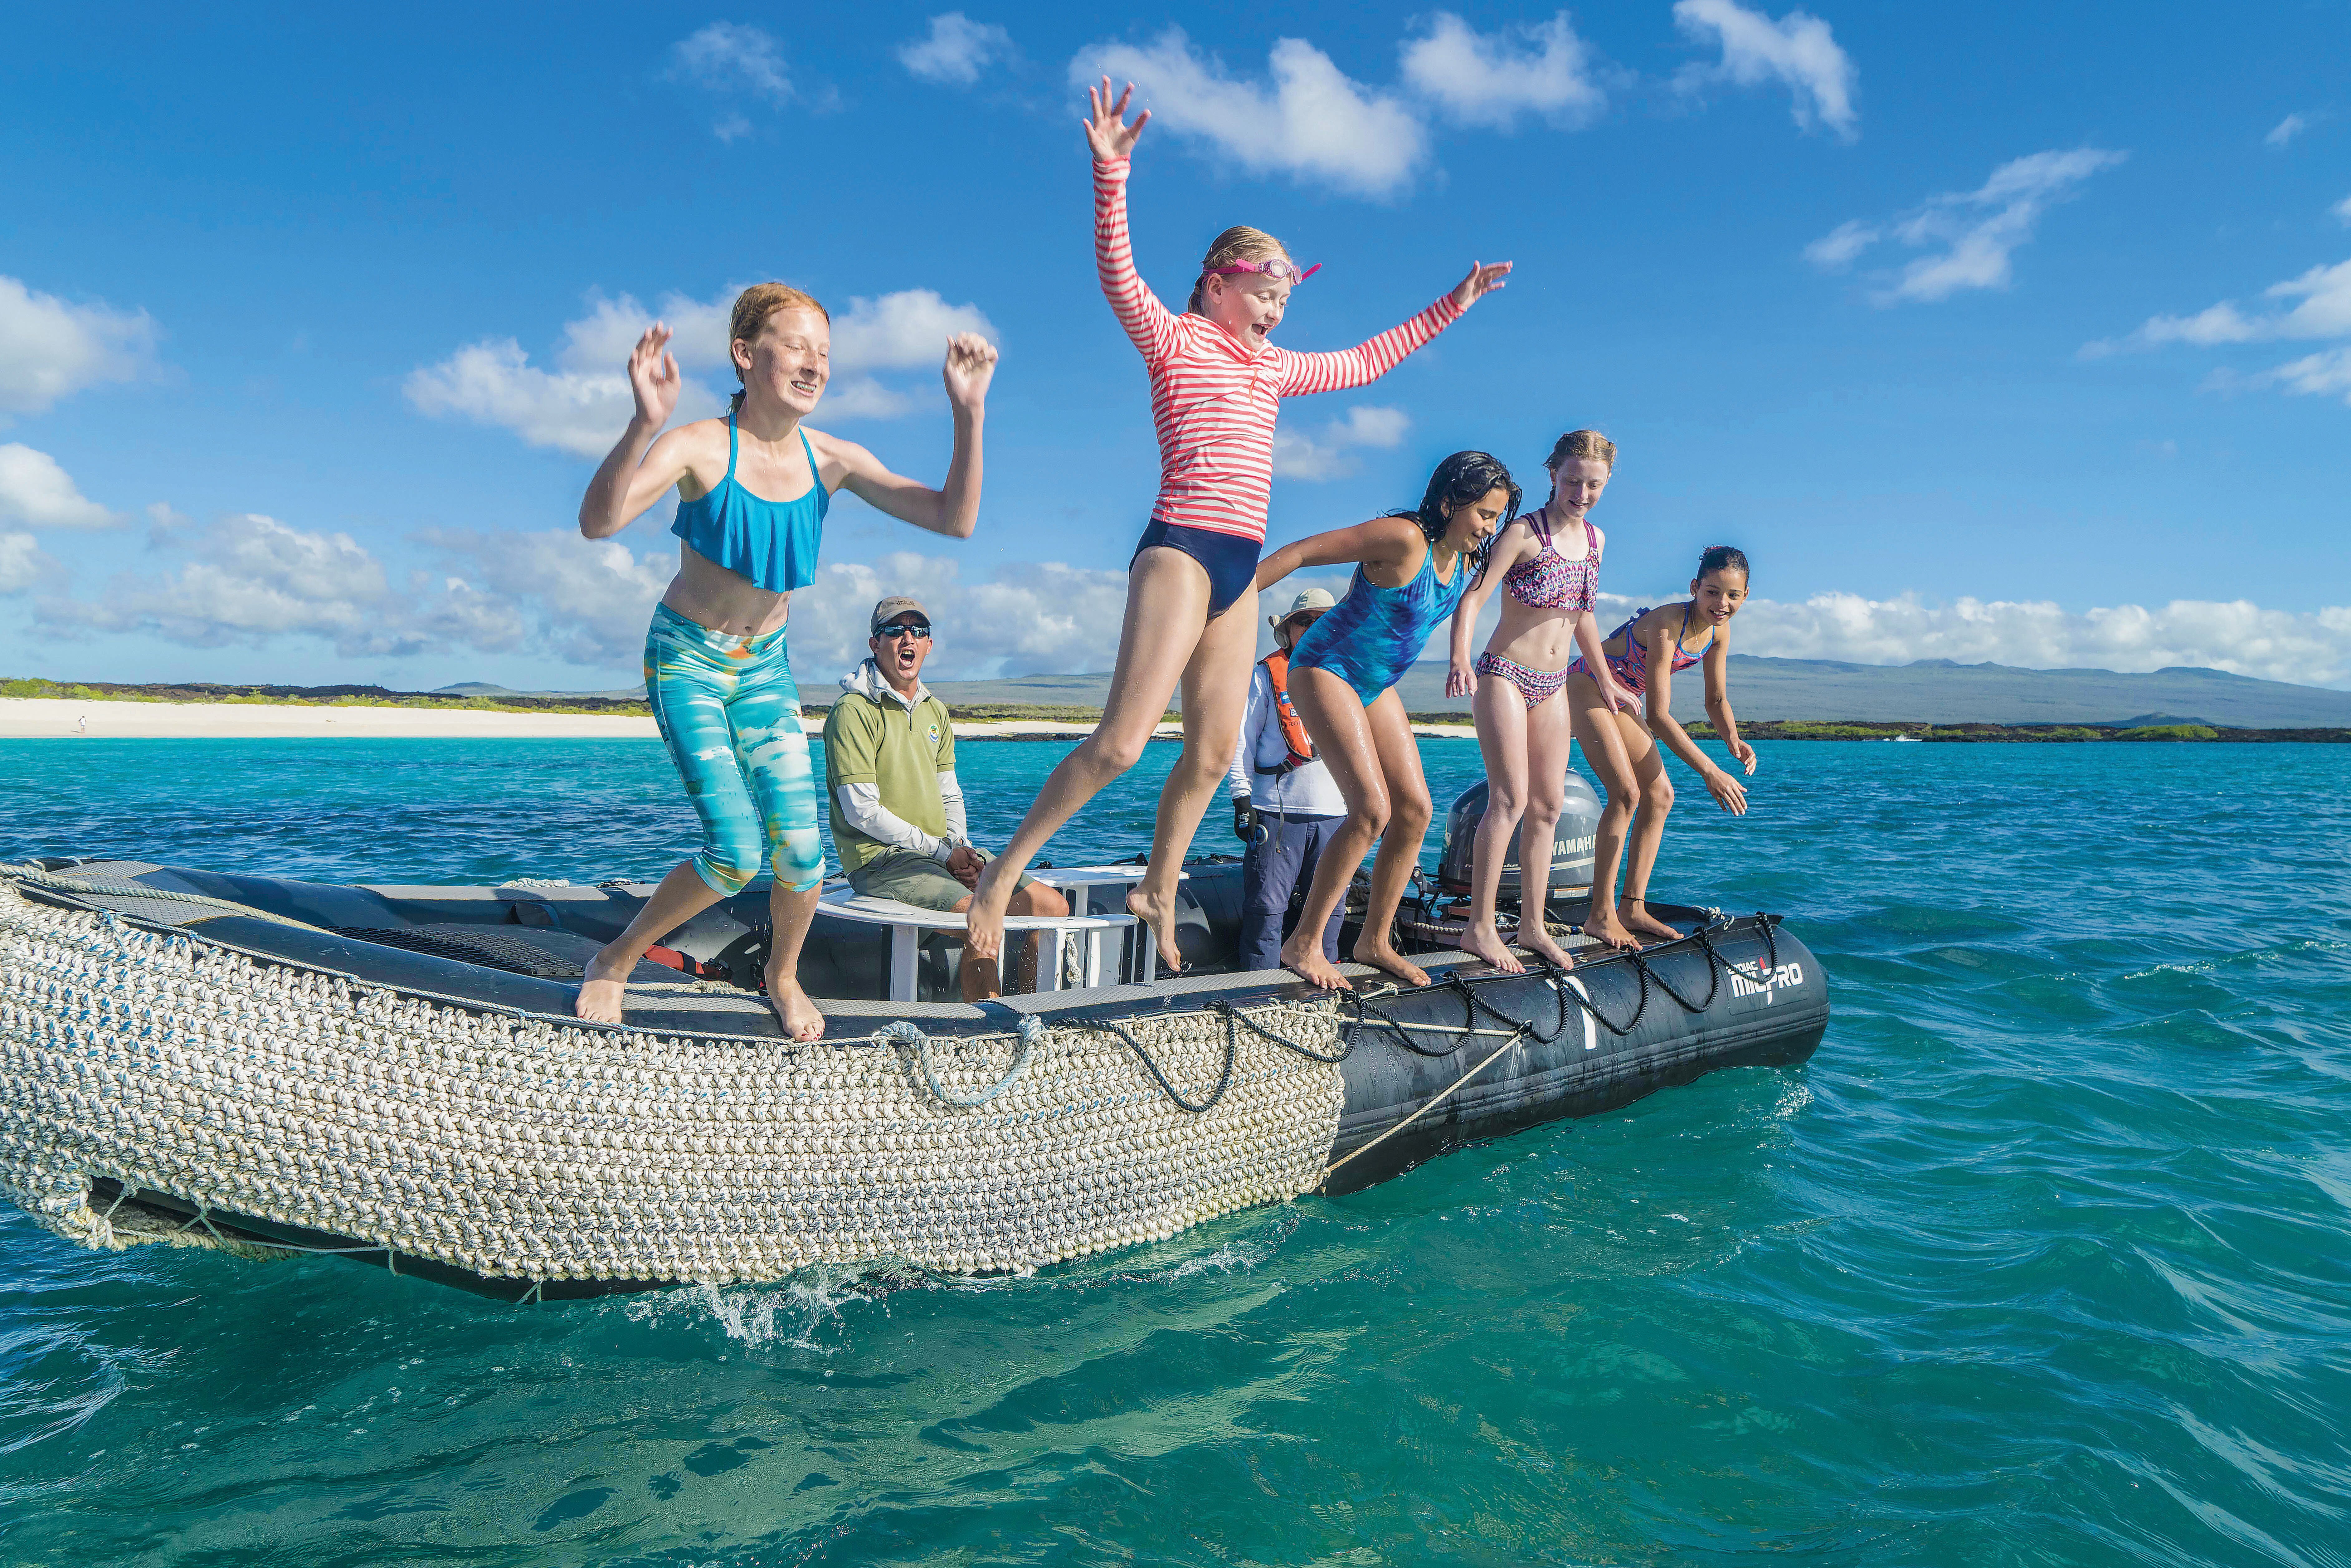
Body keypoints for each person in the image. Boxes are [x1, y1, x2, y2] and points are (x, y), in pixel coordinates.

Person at [962, 77, 1512, 977]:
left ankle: (1157, 886)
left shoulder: (1275, 369)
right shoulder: (1175, 339)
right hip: (1182, 548)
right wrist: (1112, 176)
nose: (1277, 313)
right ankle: (1002, 876)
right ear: (1221, 283)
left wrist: (1454, 304)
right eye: (1266, 295)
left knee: (1216, 750)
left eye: (1287, 302)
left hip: (1238, 566)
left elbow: (1368, 360)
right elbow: (1116, 274)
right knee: (1123, 742)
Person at [570, 282, 999, 1038]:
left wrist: (969, 413)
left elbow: (952, 518)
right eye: (795, 347)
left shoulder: (829, 457)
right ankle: (616, 959)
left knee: (802, 855)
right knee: (735, 852)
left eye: (824, 353)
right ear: (745, 355)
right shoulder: (699, 445)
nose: (814, 364)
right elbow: (597, 523)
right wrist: (644, 421)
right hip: (689, 662)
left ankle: (783, 974)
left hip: (764, 667)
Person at [1252, 452, 1520, 990]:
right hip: (1326, 667)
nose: (1489, 528)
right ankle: (1304, 943)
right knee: (1370, 811)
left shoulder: (1465, 562)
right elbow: (1305, 551)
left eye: (1497, 518)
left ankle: (1373, 941)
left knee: (1416, 811)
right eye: (1483, 515)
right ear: (1448, 503)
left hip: (1375, 683)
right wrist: (1227, 600)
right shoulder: (1403, 540)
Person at [1443, 430, 1633, 974]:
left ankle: (1531, 925)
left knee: (1549, 806)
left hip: (1553, 685)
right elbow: (1474, 597)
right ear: (1553, 474)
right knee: (1509, 801)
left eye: (1593, 483)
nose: (1582, 491)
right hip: (1504, 672)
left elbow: (1584, 616)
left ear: (1606, 483)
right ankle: (1480, 929)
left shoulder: (1596, 541)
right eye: (1572, 480)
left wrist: (1607, 680)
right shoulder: (1526, 534)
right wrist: (1459, 658)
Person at [823, 596, 1070, 999]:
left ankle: (1030, 1020)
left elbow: (949, 792)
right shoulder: (853, 711)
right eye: (895, 630)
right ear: (875, 643)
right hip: (882, 862)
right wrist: (943, 854)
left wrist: (959, 845)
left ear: (929, 645)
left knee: (1052, 909)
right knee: (979, 915)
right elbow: (862, 812)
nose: (908, 637)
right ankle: (991, 1040)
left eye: (918, 630)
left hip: (941, 853)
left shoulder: (935, 710)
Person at [1566, 545, 1760, 949]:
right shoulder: (1669, 624)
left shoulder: (1718, 631)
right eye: (1712, 592)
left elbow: (1716, 699)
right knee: (1626, 793)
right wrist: (1710, 770)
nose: (1721, 604)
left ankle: (1632, 907)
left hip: (1623, 699)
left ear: (1745, 596)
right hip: (1588, 684)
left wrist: (1732, 739)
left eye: (1733, 595)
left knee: (1661, 795)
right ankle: (1600, 915)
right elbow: (1658, 715)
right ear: (1695, 587)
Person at [1226, 588, 1346, 972]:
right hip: (1275, 815)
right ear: (1289, 630)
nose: (1313, 628)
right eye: (1304, 621)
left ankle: (1323, 995)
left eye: (1322, 620)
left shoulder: (1351, 676)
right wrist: (1241, 799)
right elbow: (1240, 740)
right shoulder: (1264, 677)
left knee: (1331, 910)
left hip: (1336, 816)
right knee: (1266, 910)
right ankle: (1257, 996)